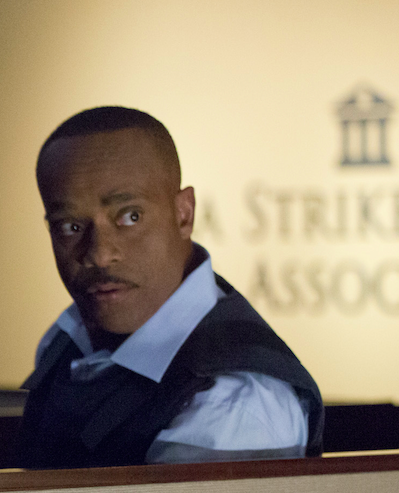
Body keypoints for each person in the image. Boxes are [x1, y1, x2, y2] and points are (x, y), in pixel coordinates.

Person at [18, 106, 323, 468]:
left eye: (130, 216)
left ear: (184, 214)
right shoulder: (67, 336)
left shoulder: (233, 405)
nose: (99, 255)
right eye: (70, 226)